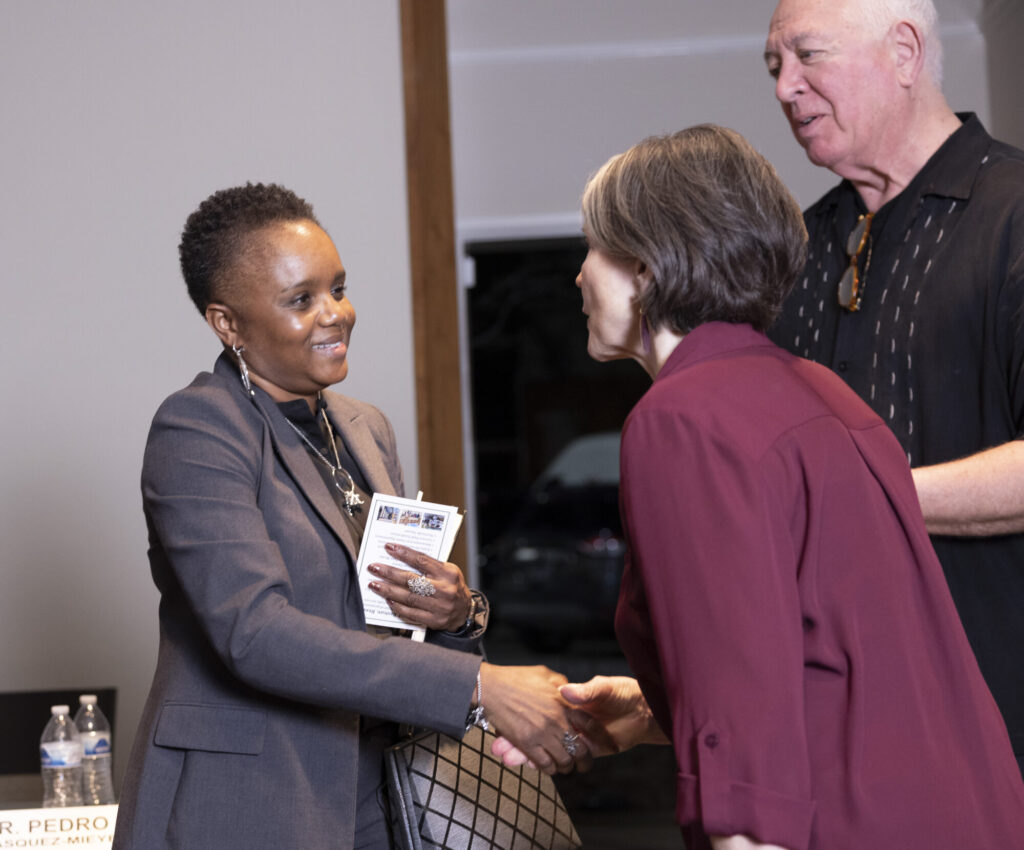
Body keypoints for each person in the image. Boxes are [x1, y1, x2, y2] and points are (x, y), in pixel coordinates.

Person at [497, 126, 1024, 849]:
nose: (579, 274)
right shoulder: (823, 392)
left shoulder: (684, 417)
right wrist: (650, 714)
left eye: (594, 246)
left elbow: (748, 734)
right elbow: (818, 658)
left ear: (648, 268)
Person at [113, 183, 586, 850]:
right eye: (301, 300)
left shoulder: (363, 429)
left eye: (338, 287)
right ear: (228, 323)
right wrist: (478, 685)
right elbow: (255, 634)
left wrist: (456, 614)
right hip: (251, 803)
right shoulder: (199, 428)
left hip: (380, 792)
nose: (336, 313)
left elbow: (390, 626)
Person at [762, 0, 1024, 769]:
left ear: (905, 52)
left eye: (807, 55)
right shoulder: (795, 252)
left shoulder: (1013, 216)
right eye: (775, 66)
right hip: (839, 738)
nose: (785, 87)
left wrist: (865, 493)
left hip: (997, 727)